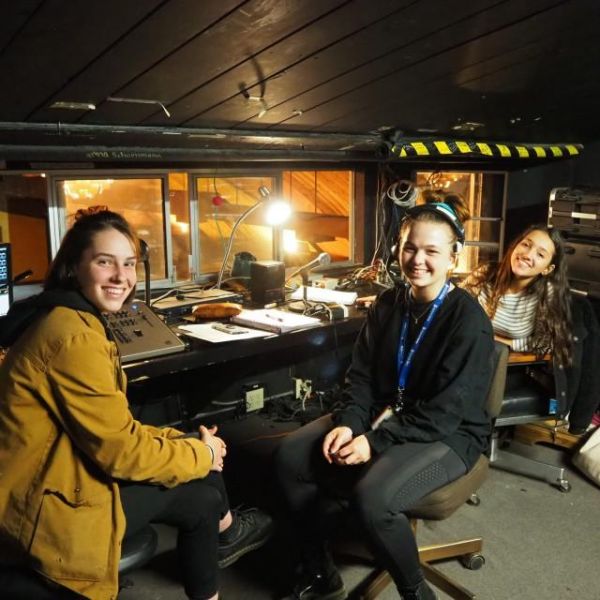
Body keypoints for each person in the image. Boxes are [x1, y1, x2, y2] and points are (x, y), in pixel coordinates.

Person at [0, 208, 272, 600]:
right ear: (75, 267)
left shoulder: (66, 315)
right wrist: (203, 454)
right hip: (43, 510)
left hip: (60, 477)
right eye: (104, 262)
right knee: (202, 492)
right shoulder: (74, 337)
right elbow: (121, 453)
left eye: (128, 264)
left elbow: (114, 430)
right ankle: (227, 531)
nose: (121, 277)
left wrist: (188, 446)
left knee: (198, 482)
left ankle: (225, 534)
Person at [275, 192, 494, 600]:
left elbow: (444, 413)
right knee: (290, 456)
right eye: (409, 247)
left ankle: (416, 594)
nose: (417, 259)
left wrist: (372, 442)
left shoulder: (468, 321)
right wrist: (350, 424)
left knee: (373, 499)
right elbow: (360, 377)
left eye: (431, 251)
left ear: (453, 257)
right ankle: (321, 572)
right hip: (386, 413)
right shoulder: (389, 303)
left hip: (450, 433)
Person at [462, 224, 600, 433]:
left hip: (512, 370)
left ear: (547, 269)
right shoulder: (485, 274)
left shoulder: (547, 296)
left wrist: (501, 341)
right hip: (471, 355)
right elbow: (457, 314)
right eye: (526, 244)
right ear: (515, 246)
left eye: (540, 254)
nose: (528, 254)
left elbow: (546, 343)